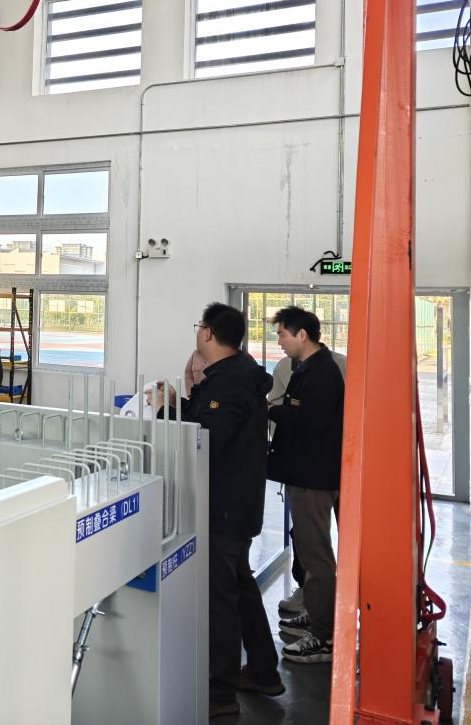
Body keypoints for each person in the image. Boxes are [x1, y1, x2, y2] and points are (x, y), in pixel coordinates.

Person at [184, 302, 281, 716]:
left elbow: (206, 442)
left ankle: (220, 692)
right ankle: (263, 670)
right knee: (241, 588)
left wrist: (170, 413)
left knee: (220, 600)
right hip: (239, 504)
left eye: (199, 326)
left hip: (222, 507)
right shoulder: (242, 373)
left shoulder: (227, 384)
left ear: (208, 333)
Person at [268, 306, 345, 664]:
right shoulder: (307, 368)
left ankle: (324, 635)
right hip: (305, 473)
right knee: (309, 549)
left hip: (313, 477)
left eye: (282, 334)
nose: (279, 342)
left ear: (302, 335)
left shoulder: (322, 373)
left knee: (315, 556)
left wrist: (270, 410)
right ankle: (318, 614)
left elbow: (309, 422)